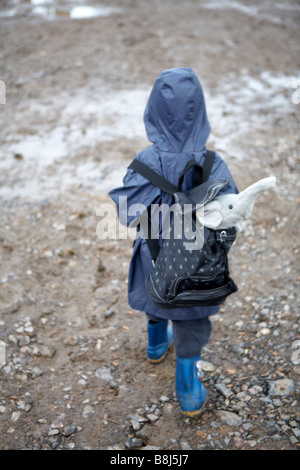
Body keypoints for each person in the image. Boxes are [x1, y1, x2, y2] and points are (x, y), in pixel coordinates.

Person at [109, 67, 238, 417]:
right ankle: (189, 386)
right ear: (201, 114)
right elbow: (231, 216)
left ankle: (154, 346)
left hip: (154, 255)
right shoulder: (213, 163)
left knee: (155, 297)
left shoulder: (144, 162)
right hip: (198, 264)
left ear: (152, 112)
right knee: (192, 323)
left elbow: (126, 212)